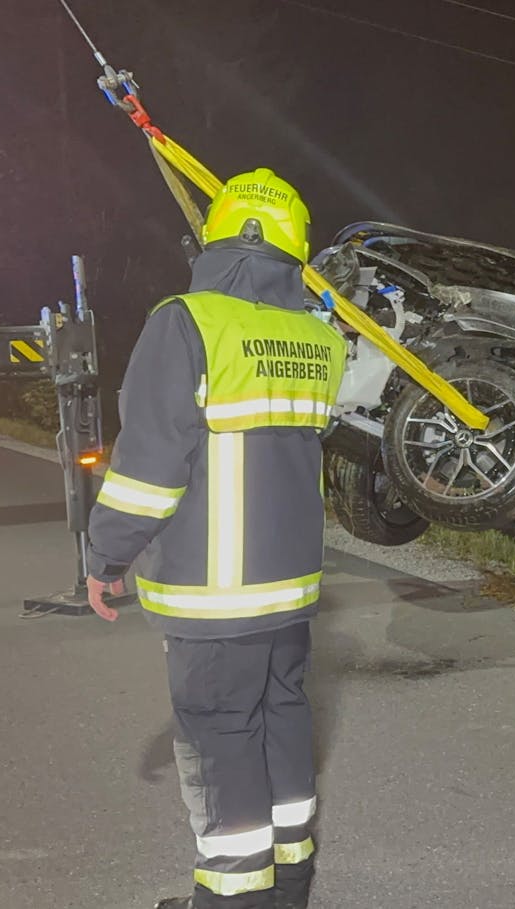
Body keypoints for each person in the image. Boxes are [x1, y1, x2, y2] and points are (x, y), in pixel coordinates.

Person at [83, 167, 348, 909]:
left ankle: (232, 898)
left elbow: (149, 464)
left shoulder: (187, 322)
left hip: (212, 588)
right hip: (290, 585)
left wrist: (107, 553)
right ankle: (289, 882)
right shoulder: (317, 337)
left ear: (218, 240)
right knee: (284, 721)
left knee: (219, 737)